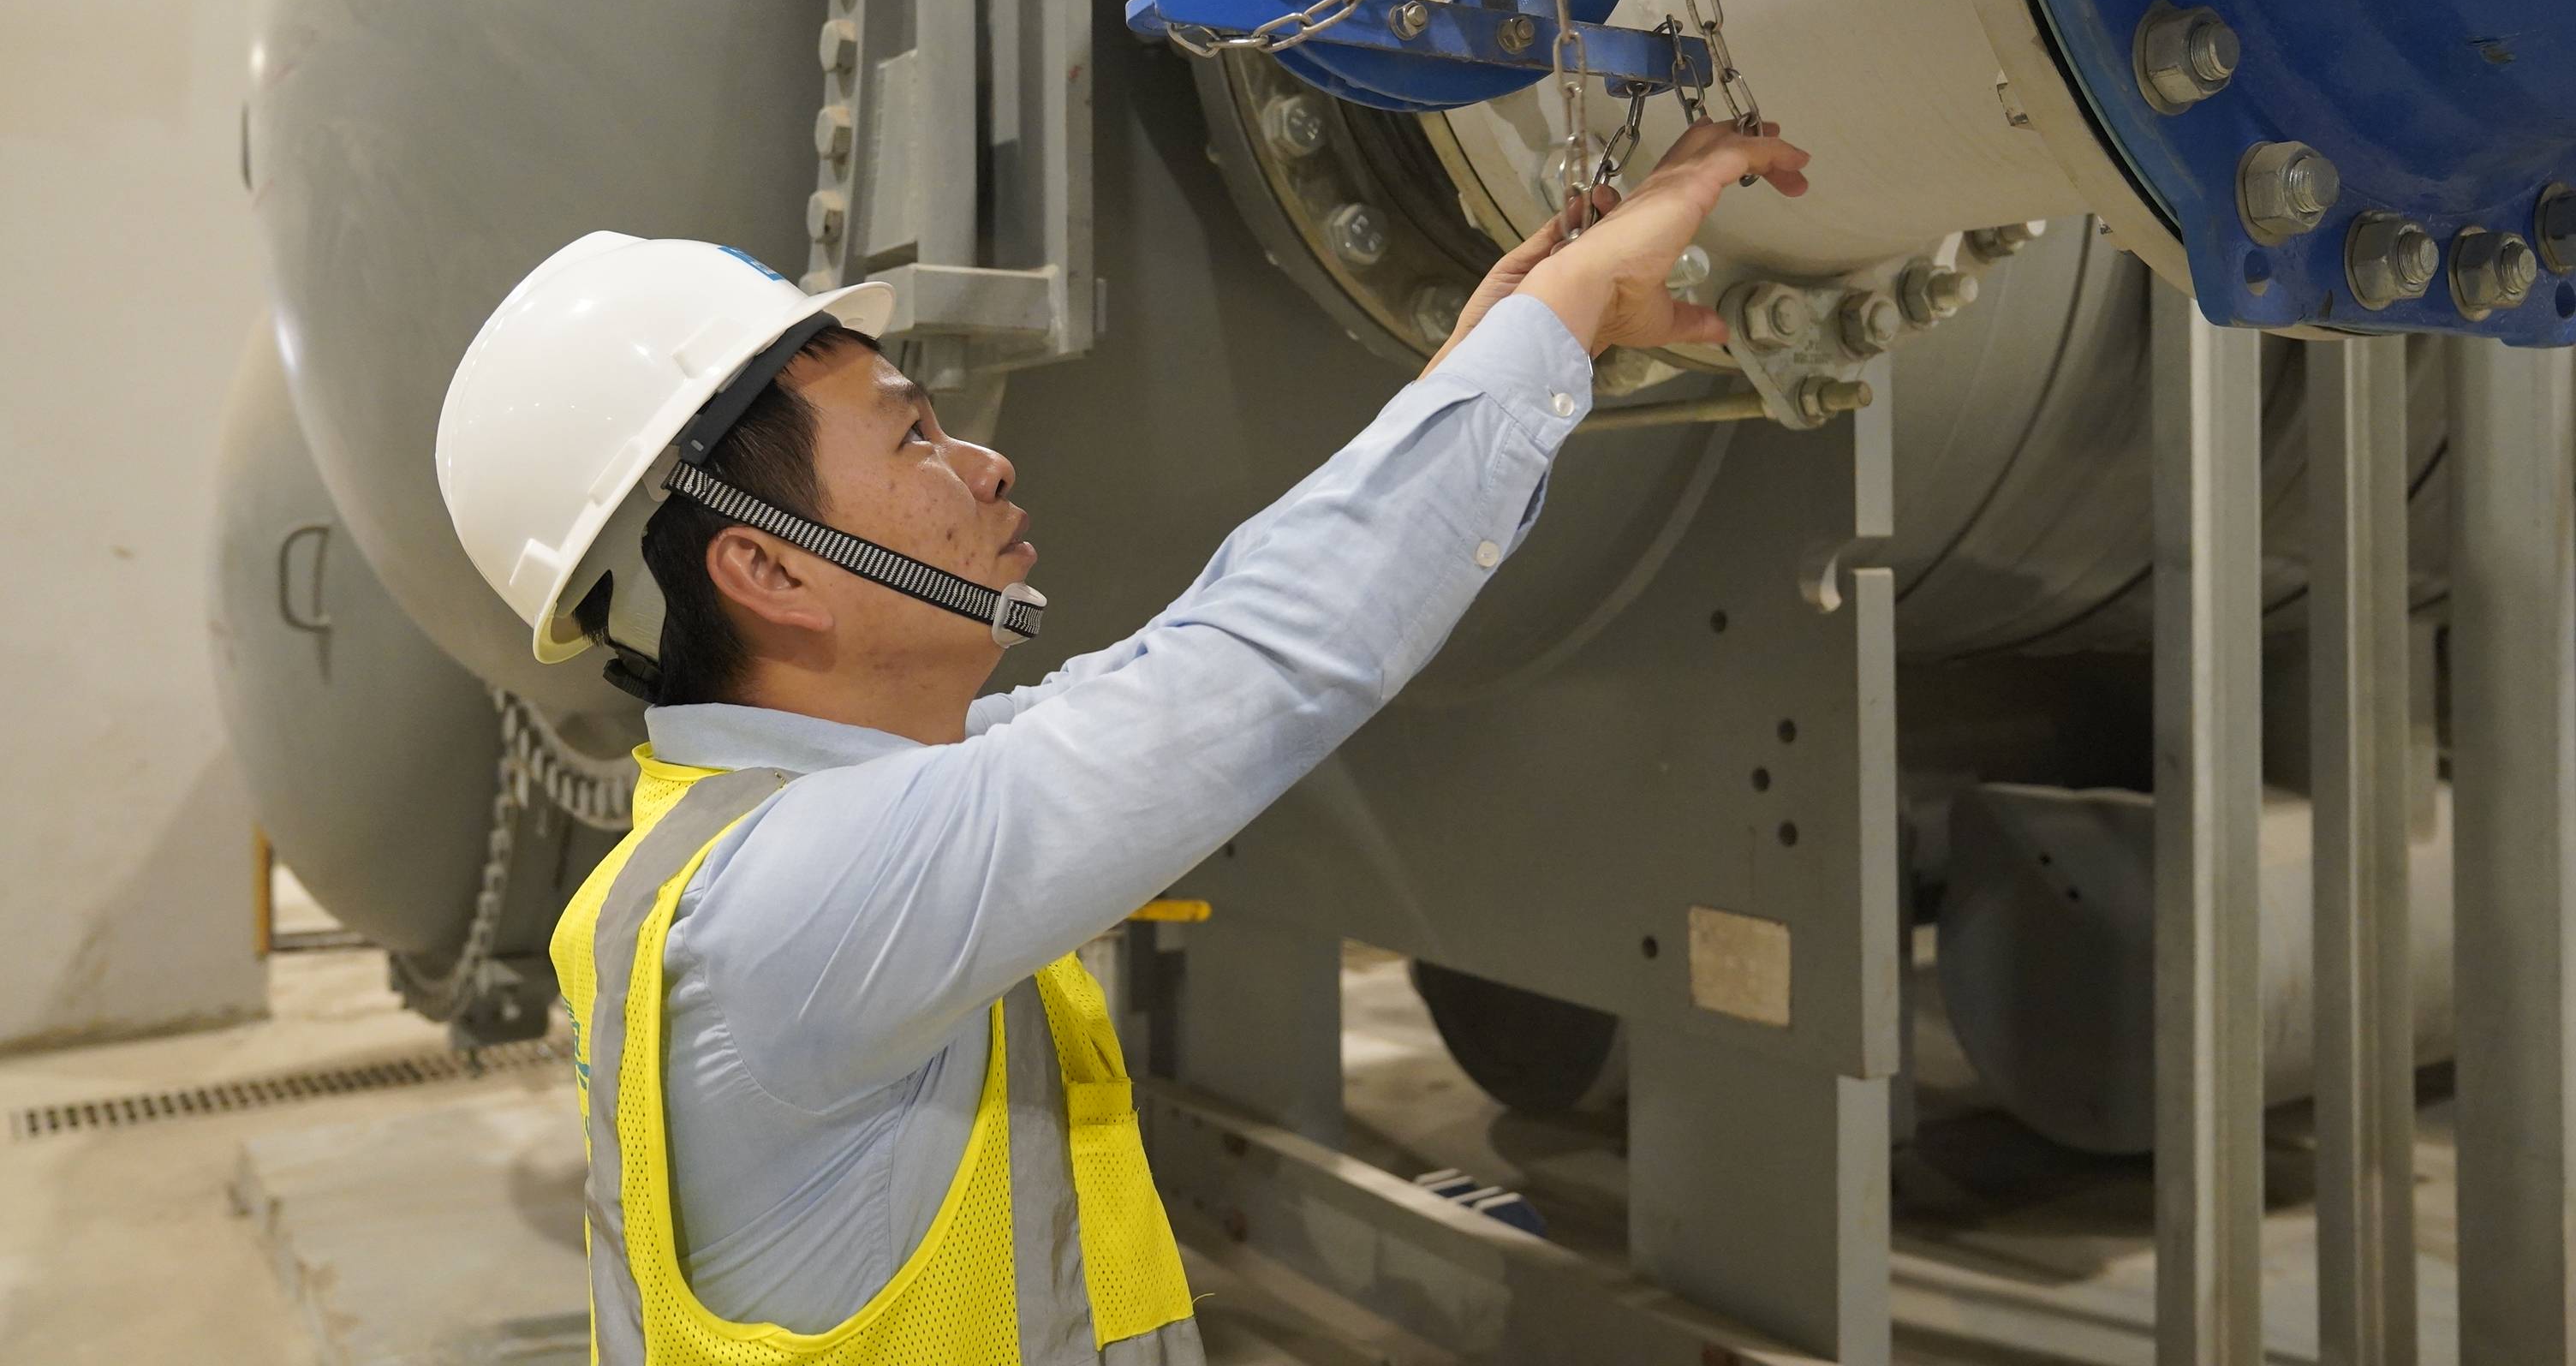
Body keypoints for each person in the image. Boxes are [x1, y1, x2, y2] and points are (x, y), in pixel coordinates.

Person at [435, 119, 1810, 1365]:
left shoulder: (765, 846)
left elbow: (1182, 664)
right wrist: (1564, 320)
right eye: (913, 441)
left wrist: (1486, 355)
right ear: (771, 571)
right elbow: (1249, 667)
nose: (985, 465)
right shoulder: (792, 901)